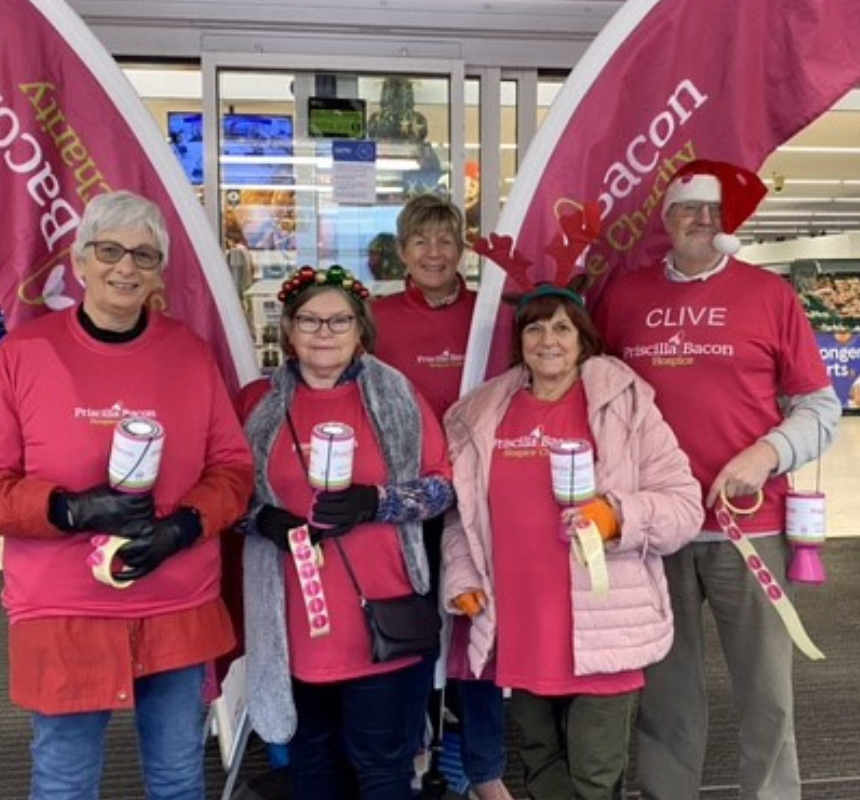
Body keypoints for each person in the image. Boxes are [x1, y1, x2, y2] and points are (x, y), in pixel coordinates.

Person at [0, 190, 254, 800]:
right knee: (65, 778)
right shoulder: (23, 356)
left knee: (176, 777)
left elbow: (232, 471)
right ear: (79, 260)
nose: (126, 267)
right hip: (64, 607)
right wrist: (68, 509)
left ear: (159, 271)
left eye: (144, 255)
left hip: (174, 601)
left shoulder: (190, 356)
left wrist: (184, 527)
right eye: (109, 250)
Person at [594, 159, 841, 800]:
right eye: (688, 210)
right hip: (655, 528)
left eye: (713, 211)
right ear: (666, 221)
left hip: (750, 528)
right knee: (664, 696)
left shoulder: (769, 296)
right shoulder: (624, 299)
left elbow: (821, 406)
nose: (702, 221)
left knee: (766, 694)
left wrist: (767, 453)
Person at [443, 274, 703, 800]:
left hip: (603, 625)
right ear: (518, 340)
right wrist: (464, 575)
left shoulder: (626, 406)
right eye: (534, 328)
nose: (548, 341)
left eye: (562, 328)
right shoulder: (484, 413)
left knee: (594, 772)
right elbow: (461, 515)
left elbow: (683, 505)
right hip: (522, 622)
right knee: (540, 767)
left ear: (583, 337)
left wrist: (617, 516)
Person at [238, 264, 455, 800]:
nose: (324, 333)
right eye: (310, 320)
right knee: (313, 761)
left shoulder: (396, 396)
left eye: (339, 321)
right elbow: (227, 494)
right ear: (287, 329)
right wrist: (260, 517)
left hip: (380, 615)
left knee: (382, 764)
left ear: (361, 330)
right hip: (294, 623)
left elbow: (442, 488)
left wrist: (375, 501)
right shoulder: (257, 405)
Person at [374, 193, 512, 800]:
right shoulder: (373, 318)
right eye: (422, 241)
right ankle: (411, 753)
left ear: (463, 249)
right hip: (406, 501)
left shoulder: (493, 315)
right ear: (402, 251)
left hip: (479, 498)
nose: (435, 252)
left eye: (446, 240)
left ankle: (486, 770)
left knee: (477, 631)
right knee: (407, 636)